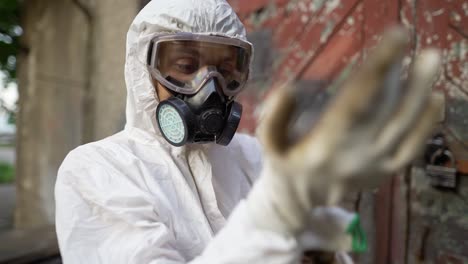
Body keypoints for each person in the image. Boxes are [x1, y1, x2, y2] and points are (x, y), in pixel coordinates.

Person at [55, 0, 442, 263]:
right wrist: (278, 216)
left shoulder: (254, 154)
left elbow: (341, 240)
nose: (209, 87)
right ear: (143, 71)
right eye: (186, 65)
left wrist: (328, 237)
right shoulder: (96, 170)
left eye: (226, 71)